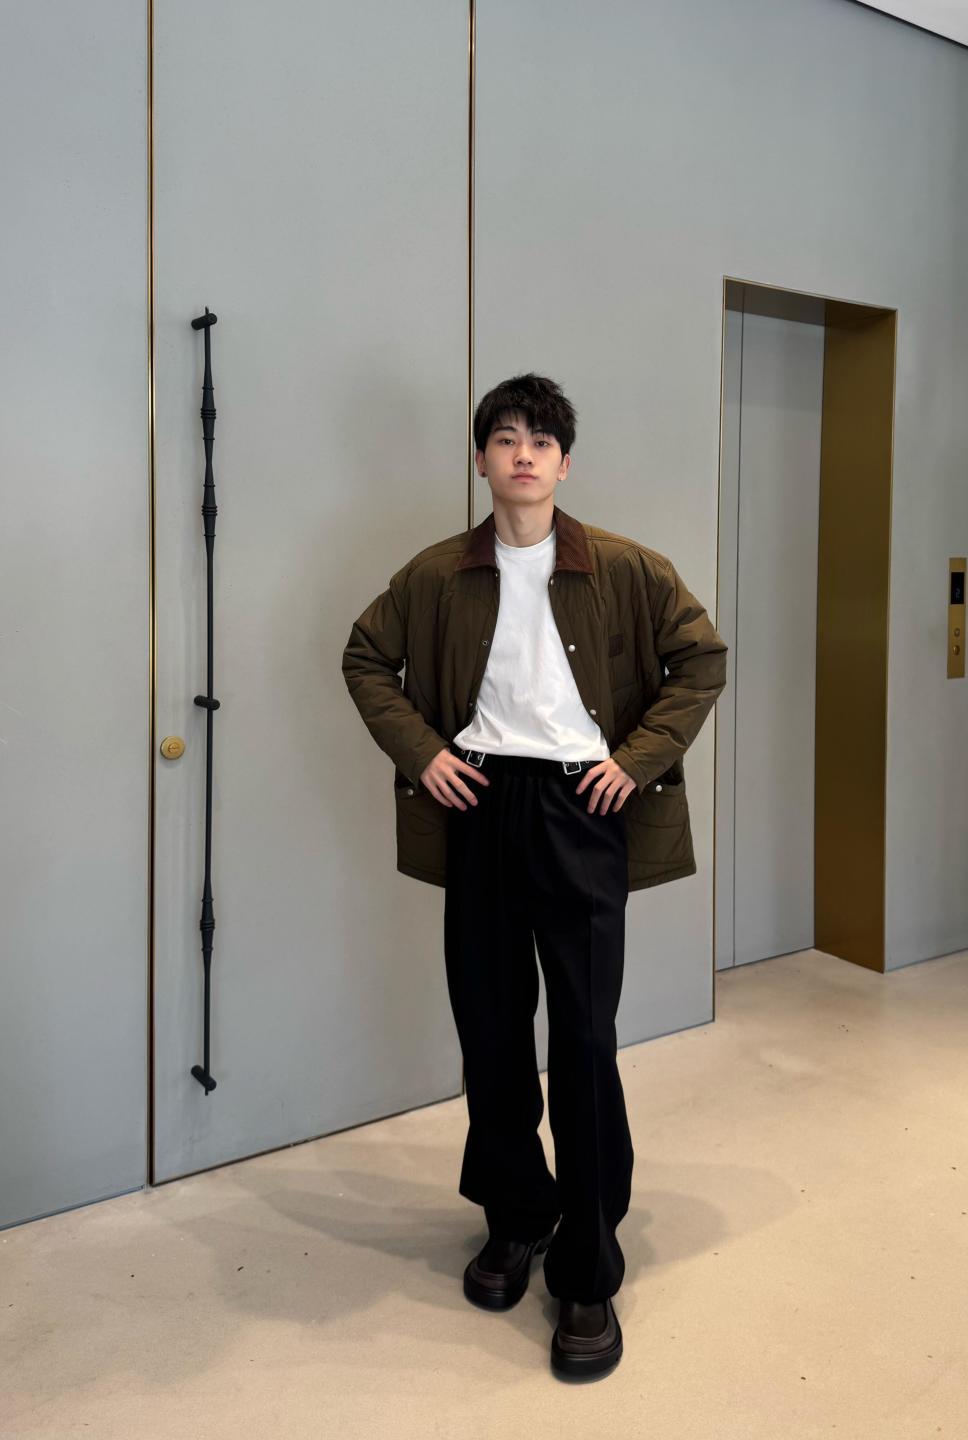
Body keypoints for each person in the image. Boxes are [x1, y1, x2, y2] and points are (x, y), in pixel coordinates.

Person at [342, 373, 727, 1379]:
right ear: (481, 459)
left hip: (580, 812)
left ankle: (588, 1266)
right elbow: (365, 658)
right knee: (492, 1027)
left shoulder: (627, 568)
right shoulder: (437, 573)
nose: (523, 453)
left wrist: (634, 762)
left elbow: (701, 661)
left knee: (586, 1039)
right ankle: (516, 1216)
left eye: (541, 440)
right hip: (479, 808)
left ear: (564, 463)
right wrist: (423, 752)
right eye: (505, 437)